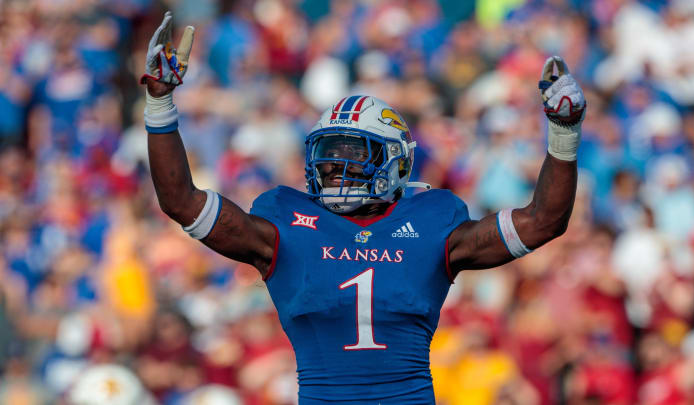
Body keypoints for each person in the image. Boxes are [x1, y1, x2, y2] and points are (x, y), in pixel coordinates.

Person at [141, 12, 585, 404]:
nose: (335, 167)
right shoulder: (284, 223)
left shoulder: (432, 221)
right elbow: (181, 201)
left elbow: (544, 220)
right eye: (328, 154)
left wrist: (563, 132)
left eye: (355, 152)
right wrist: (160, 104)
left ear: (395, 161)